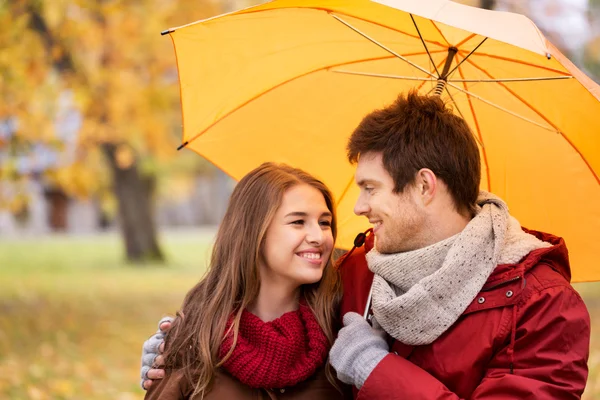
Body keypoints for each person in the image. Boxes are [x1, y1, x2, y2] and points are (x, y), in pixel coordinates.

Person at [142, 92, 591, 399]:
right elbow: (271, 322)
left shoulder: (544, 306)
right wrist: (187, 349)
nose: (357, 208)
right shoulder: (357, 271)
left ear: (424, 186)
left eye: (371, 188)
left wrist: (377, 371)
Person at [142, 162, 348, 399]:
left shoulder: (341, 334)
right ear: (254, 232)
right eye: (298, 222)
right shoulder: (196, 339)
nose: (319, 237)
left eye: (324, 222)